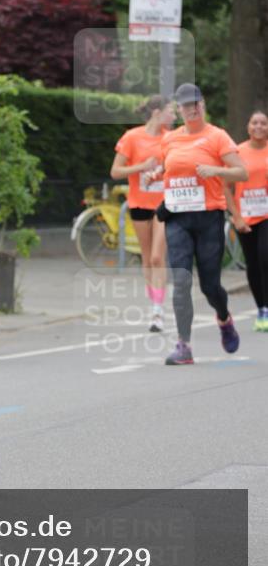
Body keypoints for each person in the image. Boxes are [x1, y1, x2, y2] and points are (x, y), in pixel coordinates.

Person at [145, 83, 249, 365]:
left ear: (202, 105)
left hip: (208, 217)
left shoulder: (217, 136)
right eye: (186, 105)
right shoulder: (170, 139)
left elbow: (241, 172)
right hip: (177, 217)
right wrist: (156, 174)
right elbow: (169, 166)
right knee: (180, 280)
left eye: (196, 104)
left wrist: (215, 170)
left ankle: (224, 318)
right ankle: (184, 345)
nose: (192, 109)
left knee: (210, 285)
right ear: (179, 110)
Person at [110, 96, 176, 332]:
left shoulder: (171, 139)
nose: (174, 116)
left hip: (163, 205)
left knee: (158, 257)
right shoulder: (132, 137)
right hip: (139, 204)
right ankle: (154, 303)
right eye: (171, 111)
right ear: (157, 112)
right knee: (147, 258)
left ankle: (158, 311)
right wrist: (142, 167)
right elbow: (115, 171)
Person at [224, 109, 268, 331]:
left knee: (265, 257)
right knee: (253, 263)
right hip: (245, 216)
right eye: (254, 123)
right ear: (248, 127)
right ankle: (261, 309)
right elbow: (226, 187)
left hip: (266, 215)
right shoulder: (237, 153)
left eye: (263, 123)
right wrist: (236, 216)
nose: (259, 127)